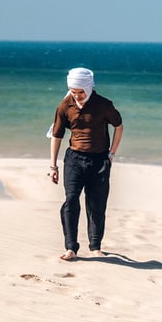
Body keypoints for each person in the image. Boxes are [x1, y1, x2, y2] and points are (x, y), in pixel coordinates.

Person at [49, 66, 123, 260]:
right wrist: (53, 166)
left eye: (80, 92)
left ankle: (95, 246)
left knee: (96, 205)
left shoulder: (104, 105)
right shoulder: (65, 105)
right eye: (74, 92)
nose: (77, 96)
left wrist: (112, 154)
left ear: (89, 88)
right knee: (71, 200)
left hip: (99, 161)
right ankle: (71, 247)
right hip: (74, 160)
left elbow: (119, 126)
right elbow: (57, 135)